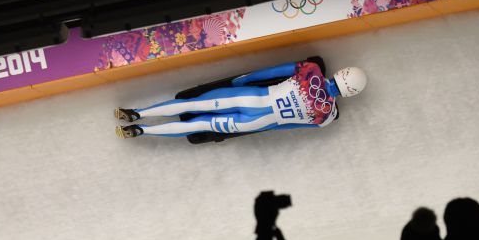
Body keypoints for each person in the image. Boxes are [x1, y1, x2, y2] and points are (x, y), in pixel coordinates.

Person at [114, 61, 367, 138]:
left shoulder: (311, 70)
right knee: (200, 125)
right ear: (350, 94)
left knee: (194, 105)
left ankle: (138, 112)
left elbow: (271, 72)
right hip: (254, 123)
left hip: (251, 98)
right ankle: (141, 130)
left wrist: (244, 79)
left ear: (340, 73)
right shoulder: (325, 117)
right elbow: (286, 126)